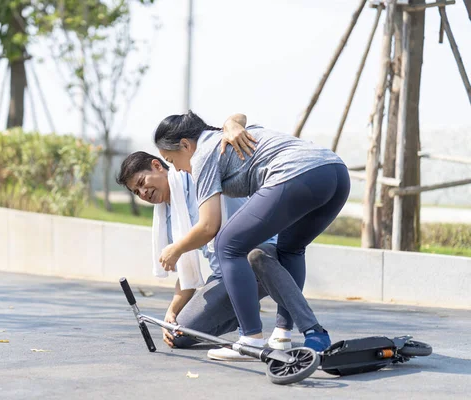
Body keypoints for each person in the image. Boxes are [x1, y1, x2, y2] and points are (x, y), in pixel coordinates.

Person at [154, 111, 350, 355]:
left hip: (298, 174)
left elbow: (208, 227)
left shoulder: (202, 155)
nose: (179, 170)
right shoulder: (226, 137)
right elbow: (240, 116)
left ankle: (251, 339)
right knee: (290, 248)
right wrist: (232, 122)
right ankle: (282, 334)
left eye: (172, 161)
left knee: (227, 244)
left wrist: (176, 249)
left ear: (185, 144)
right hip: (336, 172)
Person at [116, 149, 294, 360]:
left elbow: (209, 227)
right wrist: (171, 312)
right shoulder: (170, 216)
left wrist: (178, 248)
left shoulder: (198, 179)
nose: (143, 193)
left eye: (142, 182)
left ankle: (248, 328)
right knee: (178, 335)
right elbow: (187, 272)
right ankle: (241, 311)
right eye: (136, 192)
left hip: (258, 257)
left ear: (157, 166)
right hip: (223, 275)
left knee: (247, 262)